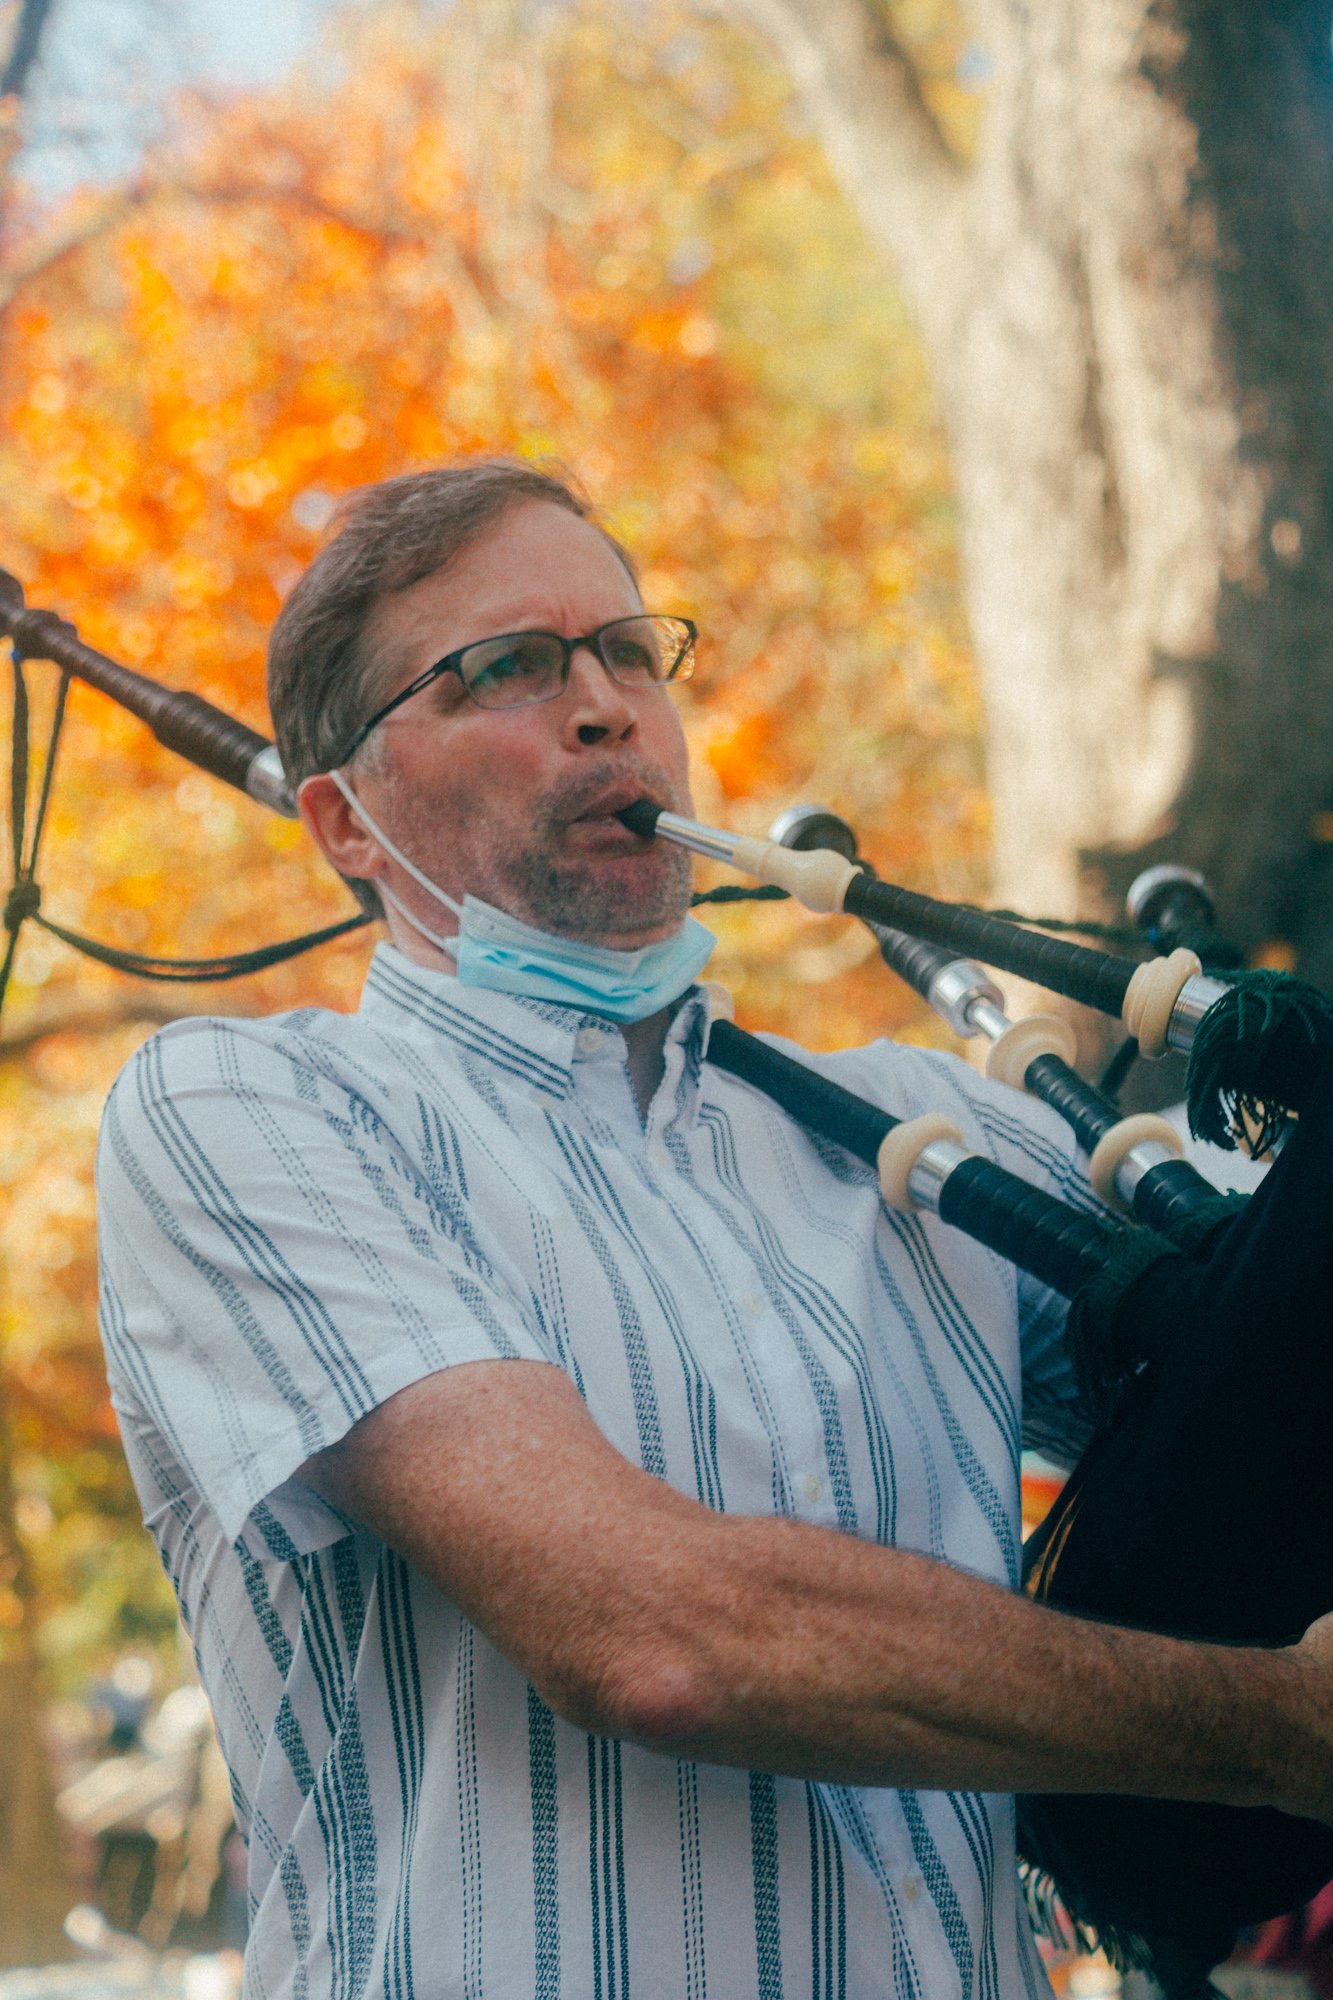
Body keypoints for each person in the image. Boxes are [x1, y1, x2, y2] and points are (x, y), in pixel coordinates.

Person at [95, 459, 1333, 2000]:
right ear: (347, 824)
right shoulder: (253, 1108)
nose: (607, 706)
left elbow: (1273, 1373)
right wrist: (1286, 1728)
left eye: (628, 651)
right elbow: (649, 1632)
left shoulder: (907, 1119)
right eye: (507, 669)